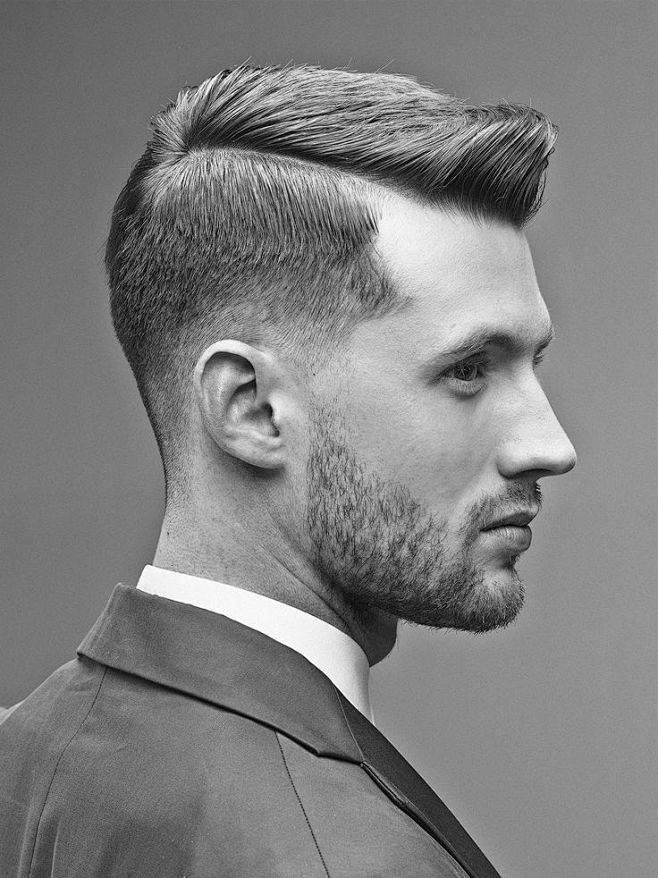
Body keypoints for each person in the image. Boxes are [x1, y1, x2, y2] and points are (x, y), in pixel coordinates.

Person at [0, 63, 576, 877]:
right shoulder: (343, 857)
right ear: (251, 409)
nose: (550, 444)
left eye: (533, 363)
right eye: (468, 370)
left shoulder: (26, 757)